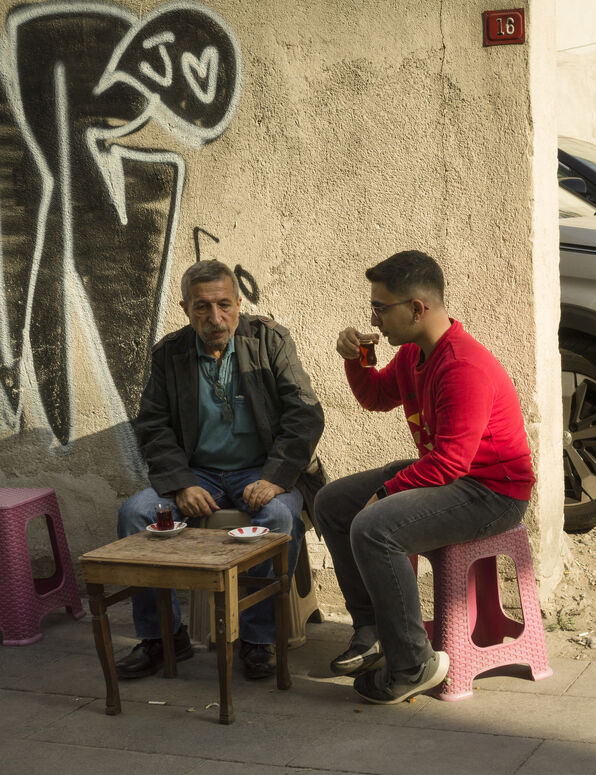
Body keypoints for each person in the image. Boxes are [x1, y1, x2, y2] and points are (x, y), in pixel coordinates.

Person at [314, 250, 535, 705]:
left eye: (380, 308)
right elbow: (376, 398)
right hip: (451, 477)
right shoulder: (415, 353)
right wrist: (358, 359)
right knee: (332, 503)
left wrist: (385, 492)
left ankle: (413, 664)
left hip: (492, 493)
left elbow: (451, 462)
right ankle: (372, 630)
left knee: (373, 527)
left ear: (417, 308)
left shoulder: (462, 366)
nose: (373, 318)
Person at [115, 259, 325, 680]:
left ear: (238, 303)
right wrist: (181, 483)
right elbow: (153, 425)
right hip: (199, 475)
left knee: (280, 517)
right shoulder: (170, 353)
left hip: (261, 470)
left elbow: (304, 415)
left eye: (224, 305)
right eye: (202, 307)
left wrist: (275, 477)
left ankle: (258, 639)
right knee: (135, 514)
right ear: (185, 308)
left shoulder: (269, 341)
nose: (215, 317)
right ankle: (163, 637)